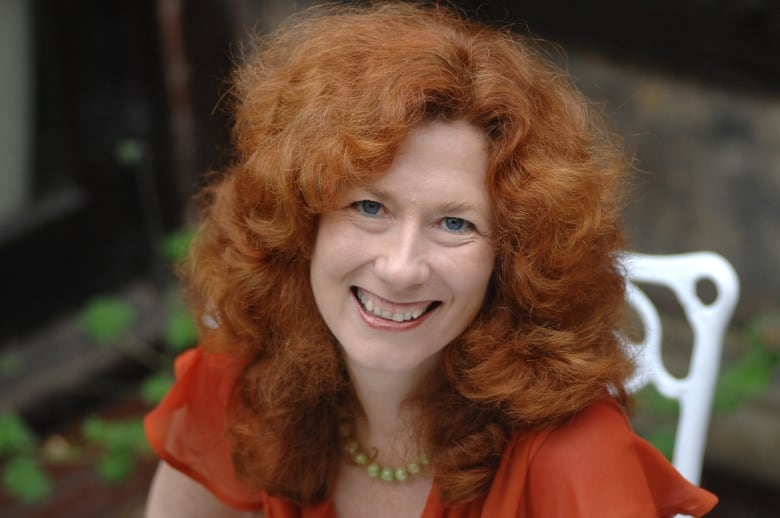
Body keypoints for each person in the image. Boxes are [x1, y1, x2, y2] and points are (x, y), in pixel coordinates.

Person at [144, 3, 718, 517]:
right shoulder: (245, 386)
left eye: (455, 223)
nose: (400, 267)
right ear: (300, 223)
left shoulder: (573, 456)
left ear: (514, 260)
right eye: (369, 206)